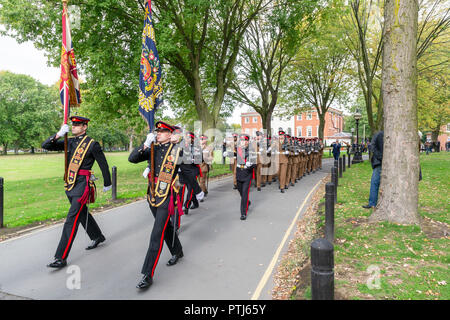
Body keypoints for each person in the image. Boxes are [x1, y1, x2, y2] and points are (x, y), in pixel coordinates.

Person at [42, 116, 112, 269]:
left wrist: (108, 182)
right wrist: (59, 134)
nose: (73, 127)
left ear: (84, 127)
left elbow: (103, 163)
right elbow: (46, 145)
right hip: (70, 183)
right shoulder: (69, 142)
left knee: (71, 219)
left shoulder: (92, 144)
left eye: (77, 125)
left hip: (82, 185)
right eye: (72, 125)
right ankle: (97, 236)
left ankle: (60, 257)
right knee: (81, 213)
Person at [128, 121, 188, 290]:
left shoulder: (177, 149)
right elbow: (132, 159)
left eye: (162, 131)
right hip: (153, 195)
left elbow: (191, 156)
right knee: (165, 228)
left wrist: (181, 139)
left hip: (167, 195)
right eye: (157, 131)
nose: (158, 133)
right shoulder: (152, 148)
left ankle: (147, 274)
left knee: (156, 234)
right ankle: (177, 250)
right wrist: (145, 144)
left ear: (170, 134)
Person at [235, 133, 256, 220]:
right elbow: (232, 154)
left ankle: (243, 213)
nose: (244, 142)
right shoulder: (237, 149)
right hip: (239, 172)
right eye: (242, 140)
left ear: (248, 141)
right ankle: (247, 202)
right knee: (240, 191)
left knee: (244, 193)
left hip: (247, 174)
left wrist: (250, 165)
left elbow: (254, 164)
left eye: (246, 140)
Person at [363, 131, 383, 209]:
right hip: (380, 162)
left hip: (379, 162)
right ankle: (372, 203)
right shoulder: (380, 134)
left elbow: (372, 146)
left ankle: (372, 203)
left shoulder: (379, 134)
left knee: (374, 182)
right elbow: (373, 147)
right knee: (375, 182)